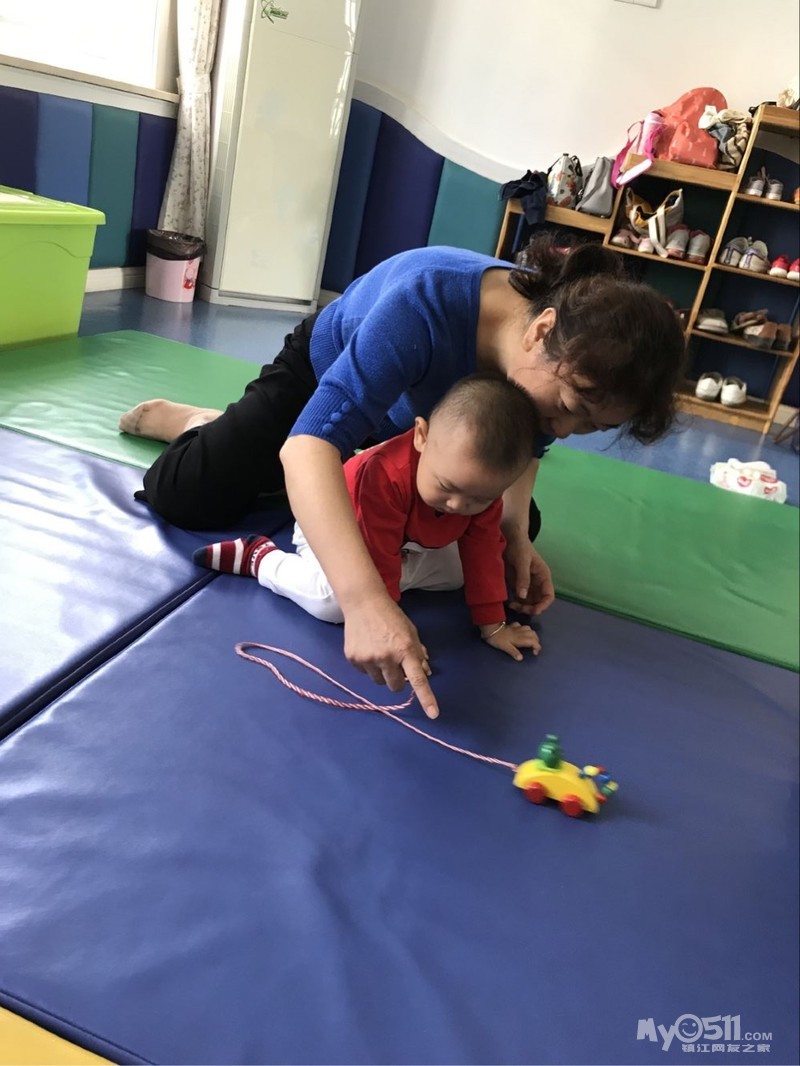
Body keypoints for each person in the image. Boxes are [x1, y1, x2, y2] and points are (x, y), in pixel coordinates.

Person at [119, 235, 686, 719]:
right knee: (187, 494)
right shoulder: (424, 302)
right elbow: (310, 446)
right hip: (331, 378)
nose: (562, 429)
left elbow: (523, 449)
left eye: (588, 427)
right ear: (541, 330)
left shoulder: (548, 374)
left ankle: (294, 464)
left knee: (502, 524)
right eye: (567, 408)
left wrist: (515, 533)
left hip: (427, 434)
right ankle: (203, 424)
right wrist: (366, 603)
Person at [193, 374, 543, 698]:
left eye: (479, 499)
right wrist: (392, 628)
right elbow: (375, 564)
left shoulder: (477, 492)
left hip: (406, 545)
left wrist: (493, 625)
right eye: (447, 486)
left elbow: (482, 549)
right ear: (421, 436)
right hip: (337, 533)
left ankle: (400, 573)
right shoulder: (385, 477)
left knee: (464, 573)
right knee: (333, 605)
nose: (458, 505)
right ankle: (261, 558)